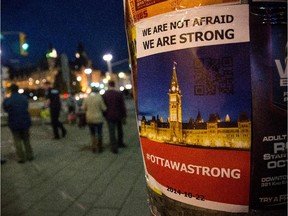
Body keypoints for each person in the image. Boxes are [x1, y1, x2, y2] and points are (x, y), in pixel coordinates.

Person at [3, 84, 34, 163]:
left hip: (14, 122)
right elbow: (26, 107)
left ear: (10, 90)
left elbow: (5, 109)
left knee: (17, 140)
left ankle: (22, 158)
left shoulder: (8, 100)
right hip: (25, 121)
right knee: (26, 139)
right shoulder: (24, 98)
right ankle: (30, 156)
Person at [103, 80, 127, 154]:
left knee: (112, 131)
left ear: (108, 85)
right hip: (119, 115)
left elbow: (104, 106)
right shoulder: (118, 94)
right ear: (114, 85)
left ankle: (114, 147)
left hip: (109, 115)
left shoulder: (105, 94)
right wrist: (124, 115)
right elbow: (122, 106)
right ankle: (120, 143)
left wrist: (104, 115)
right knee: (120, 130)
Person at [82, 87, 107, 153]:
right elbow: (104, 108)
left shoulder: (87, 98)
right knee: (99, 133)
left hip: (90, 118)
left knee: (92, 133)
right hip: (98, 118)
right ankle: (100, 147)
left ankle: (94, 147)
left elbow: (83, 108)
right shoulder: (99, 98)